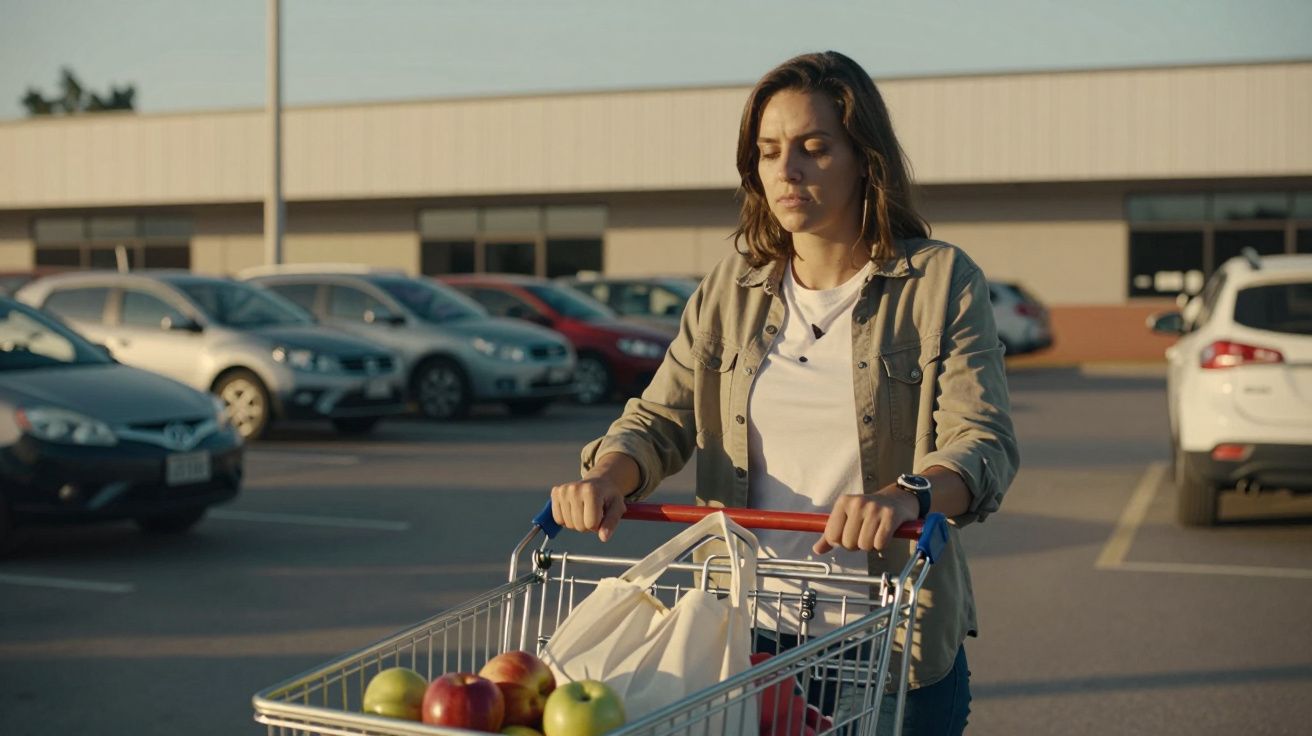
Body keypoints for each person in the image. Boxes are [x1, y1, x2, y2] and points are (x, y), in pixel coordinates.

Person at [550, 50, 1018, 736]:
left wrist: (904, 496)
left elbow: (981, 442)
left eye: (813, 147)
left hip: (886, 643)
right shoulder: (731, 290)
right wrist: (607, 475)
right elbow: (662, 416)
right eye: (769, 151)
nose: (787, 170)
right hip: (745, 637)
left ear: (865, 159)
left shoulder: (939, 283)